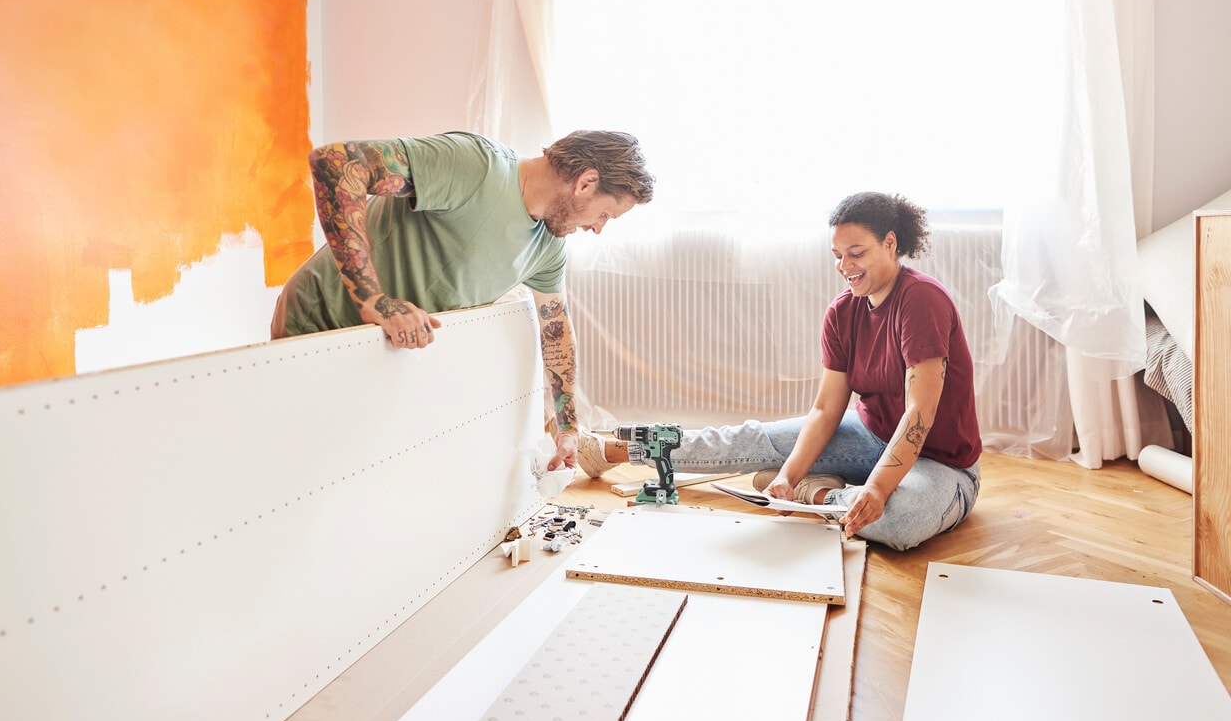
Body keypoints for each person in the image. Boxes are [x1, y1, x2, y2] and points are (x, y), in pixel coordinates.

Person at [577, 191, 981, 551]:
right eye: (838, 255)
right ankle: (621, 449)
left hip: (942, 462)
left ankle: (818, 496)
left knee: (899, 517)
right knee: (754, 440)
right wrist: (786, 477)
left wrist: (876, 489)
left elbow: (920, 414)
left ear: (889, 243)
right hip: (872, 435)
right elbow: (825, 410)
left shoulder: (921, 301)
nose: (845, 266)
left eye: (856, 253)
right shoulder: (842, 313)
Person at [272, 129, 656, 471]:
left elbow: (555, 330)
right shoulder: (477, 166)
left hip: (383, 347)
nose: (598, 229)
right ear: (586, 182)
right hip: (320, 321)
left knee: (353, 466)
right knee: (301, 464)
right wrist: (373, 299)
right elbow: (337, 164)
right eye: (605, 214)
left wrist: (568, 428)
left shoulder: (548, 245)